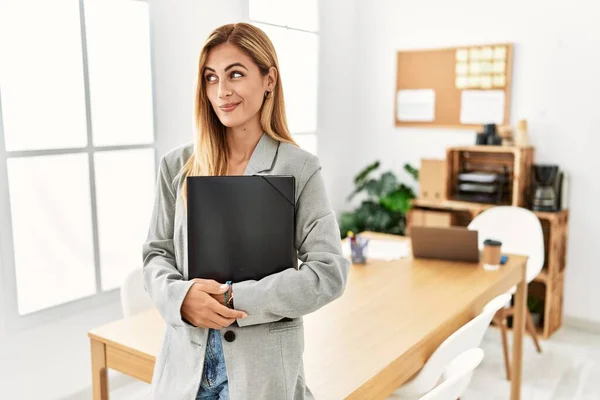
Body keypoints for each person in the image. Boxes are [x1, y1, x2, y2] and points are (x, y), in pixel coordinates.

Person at [142, 22, 350, 400]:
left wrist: (236, 299)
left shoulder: (300, 168)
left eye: (235, 74)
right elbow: (157, 254)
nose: (222, 92)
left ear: (269, 79)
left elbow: (329, 272)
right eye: (210, 78)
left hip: (263, 372)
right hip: (185, 369)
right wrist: (181, 298)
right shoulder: (178, 166)